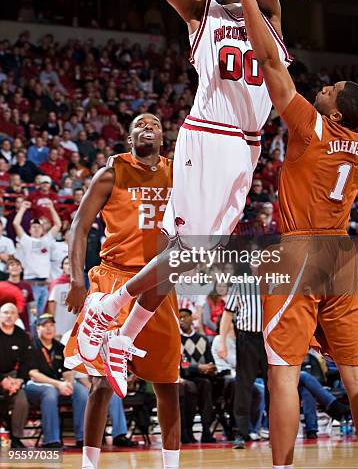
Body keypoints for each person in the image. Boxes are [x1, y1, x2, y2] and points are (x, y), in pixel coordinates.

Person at [76, 0, 289, 389]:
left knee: (185, 260)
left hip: (246, 149)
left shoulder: (272, 22)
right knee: (190, 254)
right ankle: (108, 310)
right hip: (209, 137)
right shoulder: (204, 18)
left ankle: (123, 341)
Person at [236, 0, 358, 469]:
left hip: (298, 250)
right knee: (355, 371)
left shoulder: (312, 127)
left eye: (330, 90)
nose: (324, 88)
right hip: (341, 256)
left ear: (334, 109)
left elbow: (269, 63)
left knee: (283, 370)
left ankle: (283, 466)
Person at [64, 113, 180, 469]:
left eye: (155, 124)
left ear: (163, 138)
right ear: (129, 137)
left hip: (159, 285)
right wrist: (77, 278)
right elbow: (78, 226)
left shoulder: (179, 172)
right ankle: (89, 464)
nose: (148, 126)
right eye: (140, 124)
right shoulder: (111, 173)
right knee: (100, 383)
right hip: (114, 278)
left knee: (168, 382)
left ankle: (171, 465)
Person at [218, 270, 268, 448]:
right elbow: (228, 313)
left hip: (271, 338)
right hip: (247, 338)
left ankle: (275, 430)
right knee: (243, 386)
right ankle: (240, 432)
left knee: (274, 387)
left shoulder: (277, 282)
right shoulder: (241, 283)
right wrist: (222, 341)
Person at [25, 314, 88, 448]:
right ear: (37, 329)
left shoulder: (59, 347)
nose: (49, 329)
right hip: (34, 385)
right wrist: (59, 384)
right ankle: (51, 440)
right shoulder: (31, 346)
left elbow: (68, 371)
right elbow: (33, 374)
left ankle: (82, 438)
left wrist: (68, 383)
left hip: (58, 384)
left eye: (51, 326)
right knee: (50, 392)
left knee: (82, 392)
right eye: (45, 326)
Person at [13, 201, 61, 315]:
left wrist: (51, 208)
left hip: (44, 284)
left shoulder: (47, 239)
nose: (36, 228)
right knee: (32, 316)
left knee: (41, 316)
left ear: (42, 229)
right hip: (31, 284)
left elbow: (58, 225)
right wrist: (22, 208)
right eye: (33, 226)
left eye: (38, 226)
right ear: (29, 230)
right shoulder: (26, 240)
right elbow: (16, 224)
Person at [179, 308, 217, 444]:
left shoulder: (202, 339)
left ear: (192, 319)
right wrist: (199, 367)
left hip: (201, 377)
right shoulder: (177, 339)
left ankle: (206, 430)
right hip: (184, 377)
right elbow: (182, 366)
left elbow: (210, 360)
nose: (182, 320)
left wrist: (211, 368)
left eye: (184, 317)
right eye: (179, 317)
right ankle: (187, 431)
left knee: (206, 384)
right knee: (191, 387)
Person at [0, 303, 31, 448]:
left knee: (22, 401)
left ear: (17, 316)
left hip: (13, 376)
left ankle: (16, 437)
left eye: (12, 313)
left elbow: (26, 362)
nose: (9, 315)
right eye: (5, 312)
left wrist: (19, 381)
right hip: (1, 377)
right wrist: (2, 380)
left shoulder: (22, 335)